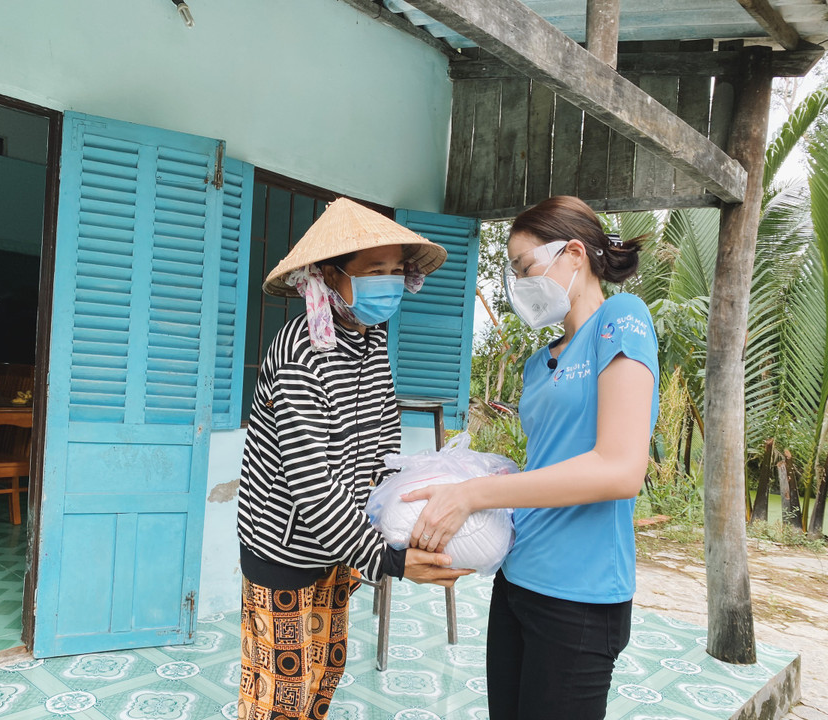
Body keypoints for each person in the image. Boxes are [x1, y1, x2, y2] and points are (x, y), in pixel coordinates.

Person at [406, 195, 659, 720]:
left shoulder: (621, 319)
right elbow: (549, 466)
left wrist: (473, 494)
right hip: (517, 580)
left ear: (574, 254)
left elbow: (619, 469)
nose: (519, 284)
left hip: (580, 593)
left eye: (524, 267)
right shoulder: (538, 363)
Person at [236, 197, 472, 720]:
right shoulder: (300, 352)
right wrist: (389, 559)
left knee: (324, 673)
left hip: (340, 545)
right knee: (281, 693)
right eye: (373, 271)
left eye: (395, 271)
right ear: (329, 276)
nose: (388, 283)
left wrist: (401, 518)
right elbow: (311, 484)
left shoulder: (370, 341)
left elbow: (384, 445)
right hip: (283, 548)